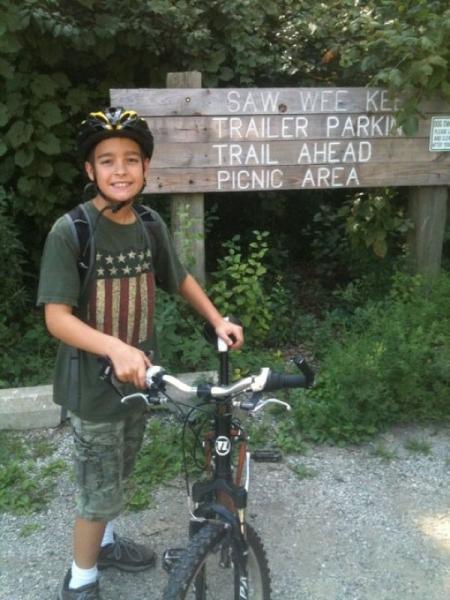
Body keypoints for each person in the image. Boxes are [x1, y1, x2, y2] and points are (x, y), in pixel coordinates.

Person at [37, 107, 243, 600]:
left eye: (132, 159)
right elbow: (56, 317)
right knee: (98, 487)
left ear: (147, 168)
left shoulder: (150, 225)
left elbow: (181, 278)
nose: (121, 170)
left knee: (120, 469)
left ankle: (104, 545)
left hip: (139, 381)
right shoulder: (72, 231)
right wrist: (112, 347)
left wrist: (217, 319)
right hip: (92, 387)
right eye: (107, 161)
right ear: (90, 171)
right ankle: (81, 581)